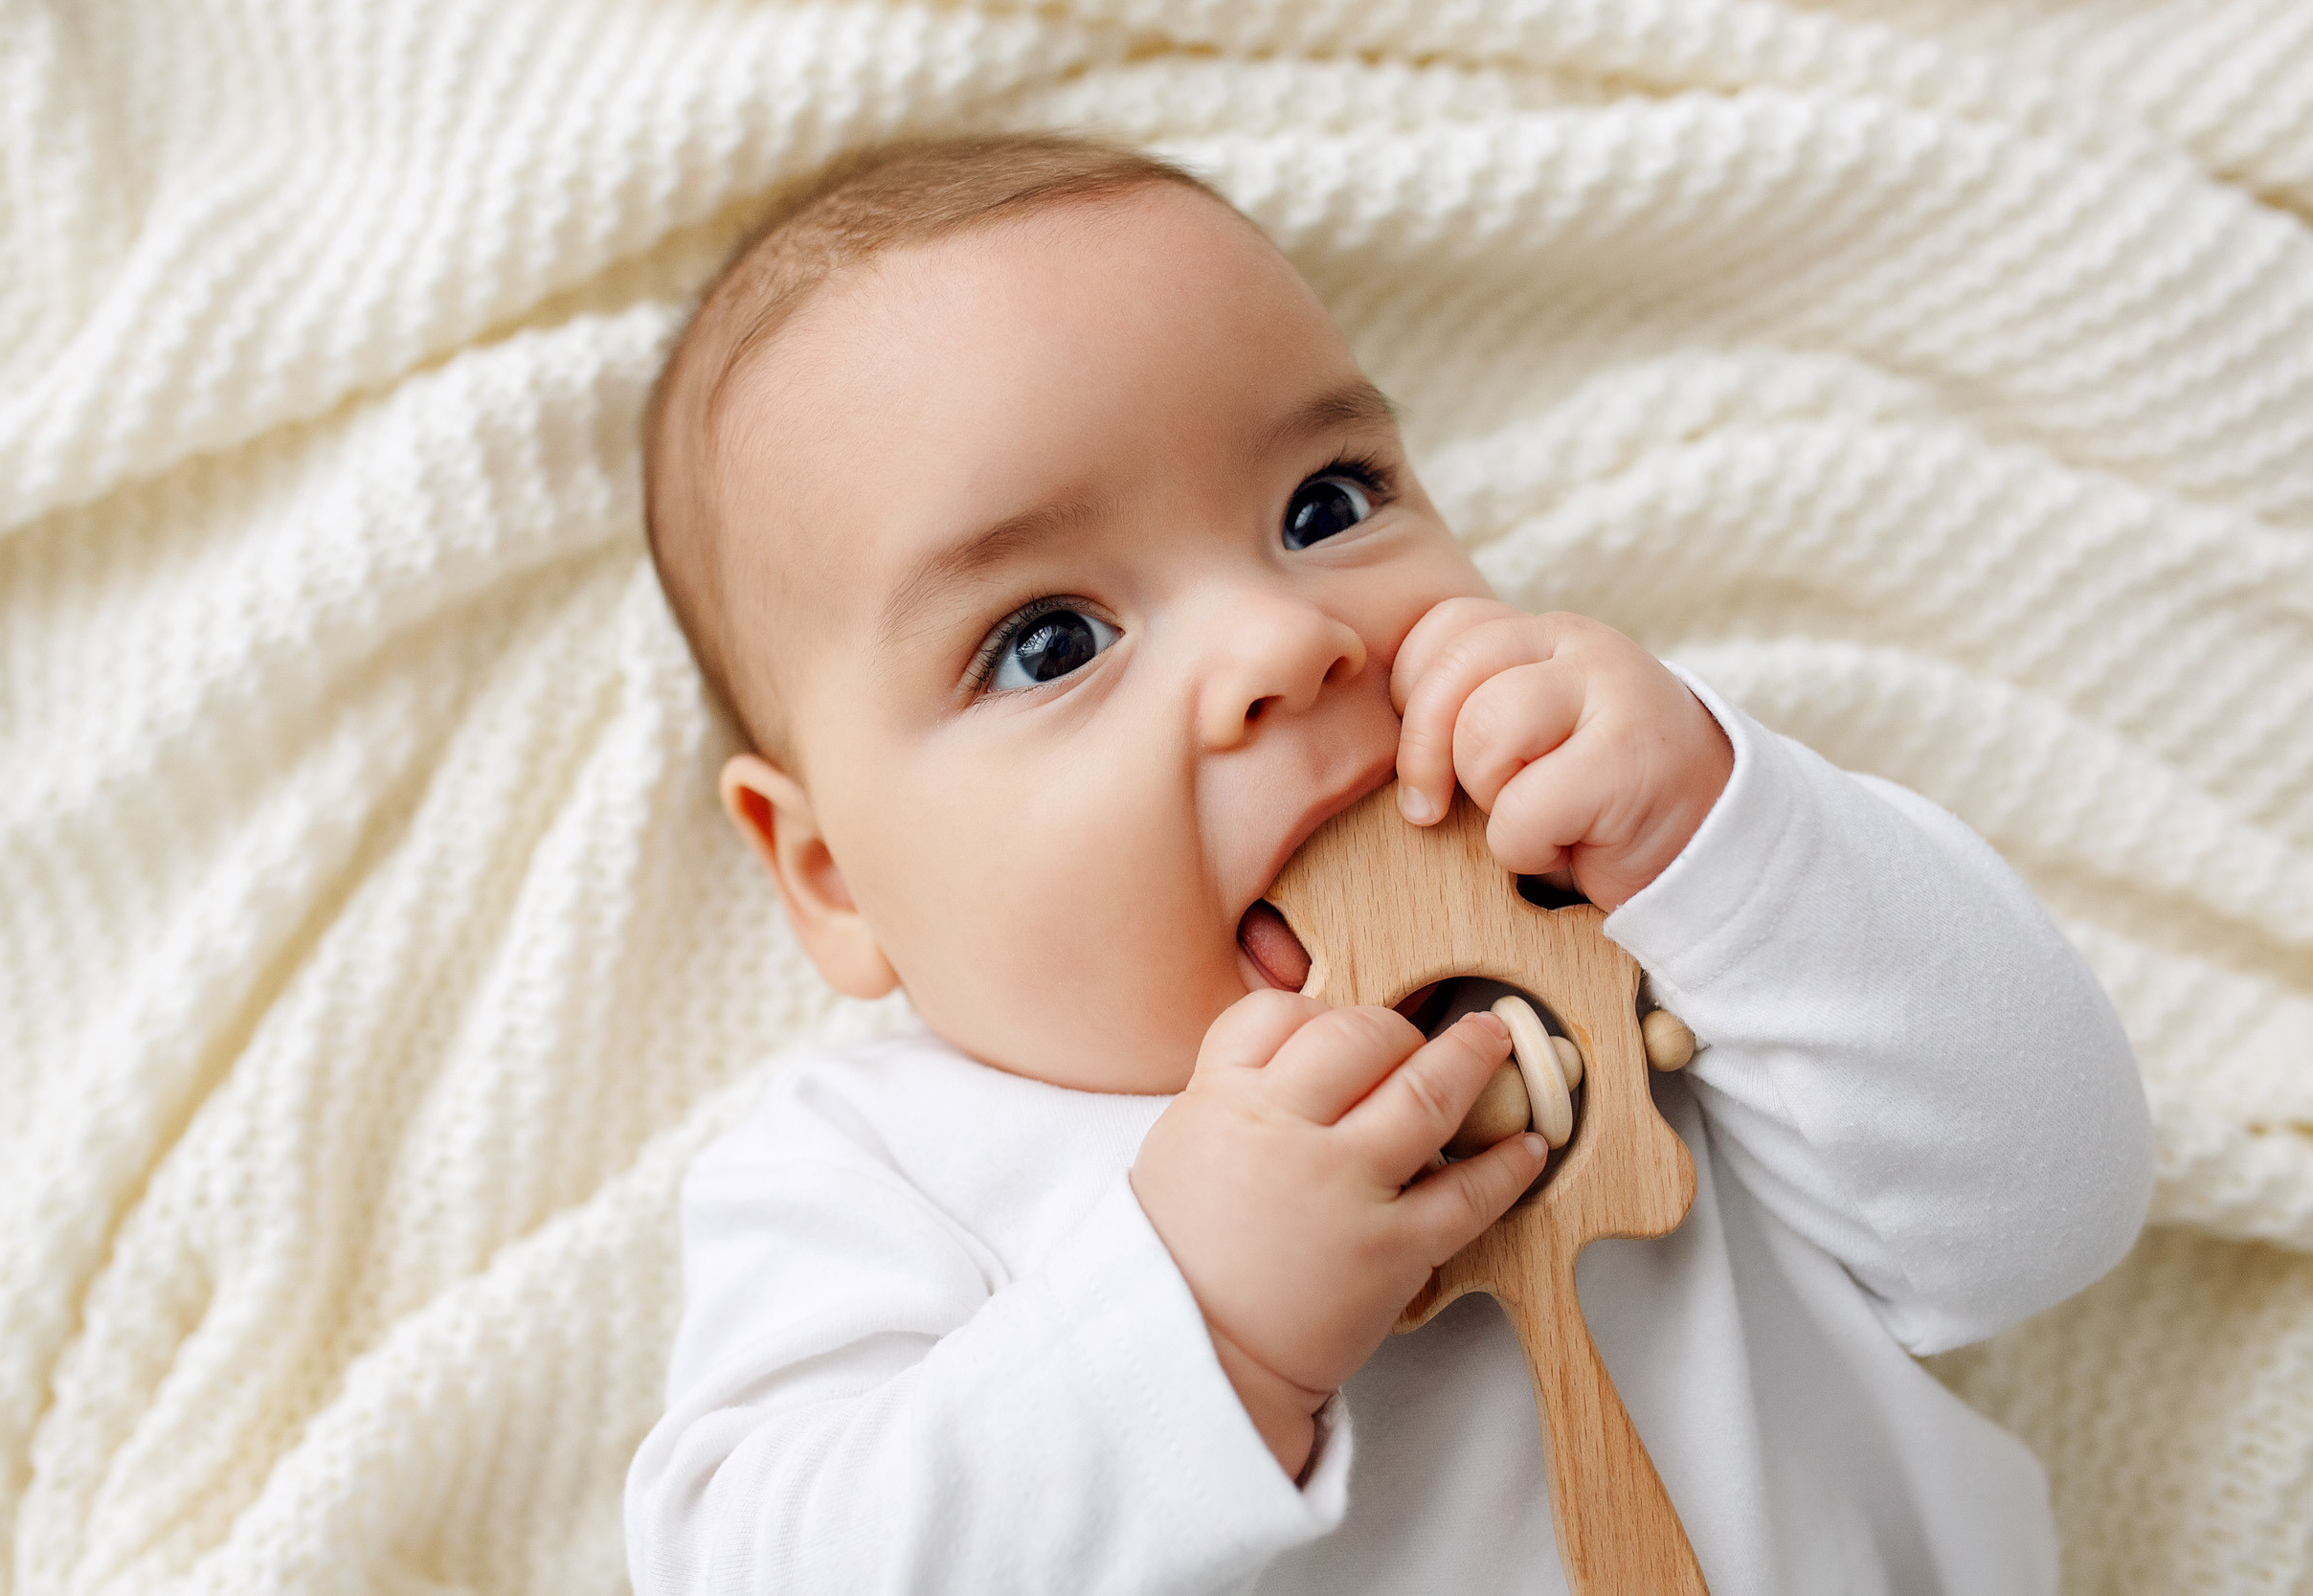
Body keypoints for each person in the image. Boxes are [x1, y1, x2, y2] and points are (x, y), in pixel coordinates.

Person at [622, 133, 2152, 1594]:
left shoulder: (1651, 914)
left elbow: (2053, 1210)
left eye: (1325, 506)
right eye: (1051, 643)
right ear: (829, 875)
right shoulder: (884, 1170)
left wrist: (1732, 843)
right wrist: (1202, 1325)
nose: (1287, 641)